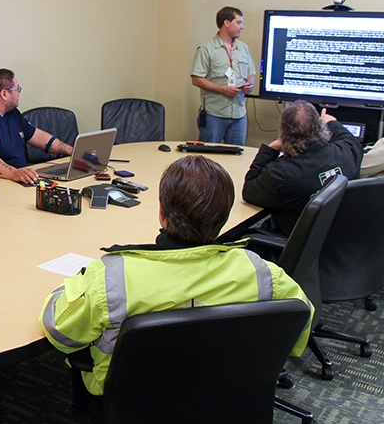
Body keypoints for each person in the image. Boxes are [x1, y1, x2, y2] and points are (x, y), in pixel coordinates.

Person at [39, 155, 313, 400]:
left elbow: (60, 332)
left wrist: (74, 285)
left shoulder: (112, 277)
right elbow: (299, 321)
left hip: (131, 401)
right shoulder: (262, 272)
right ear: (225, 217)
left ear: (162, 215)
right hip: (227, 395)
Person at [242, 100, 363, 237]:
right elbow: (346, 136)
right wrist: (330, 122)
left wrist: (270, 150)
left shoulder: (282, 172)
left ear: (283, 132)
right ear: (320, 127)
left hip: (298, 242)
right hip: (340, 237)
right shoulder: (348, 151)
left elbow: (249, 191)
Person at [191, 6, 256, 146]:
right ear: (226, 23)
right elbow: (196, 79)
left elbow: (251, 72)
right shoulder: (206, 49)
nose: (242, 27)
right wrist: (223, 89)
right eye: (239, 22)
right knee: (207, 159)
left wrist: (249, 85)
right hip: (214, 115)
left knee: (237, 157)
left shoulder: (243, 48)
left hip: (239, 114)